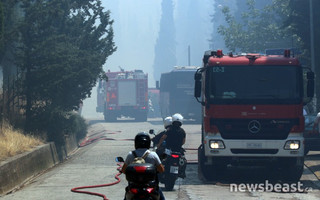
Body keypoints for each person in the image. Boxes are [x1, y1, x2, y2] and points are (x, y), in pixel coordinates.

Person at [121, 132, 165, 200]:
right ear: (148, 143)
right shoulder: (153, 155)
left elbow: (123, 170)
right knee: (160, 195)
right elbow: (161, 170)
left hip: (134, 185)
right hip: (150, 185)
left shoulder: (130, 154)